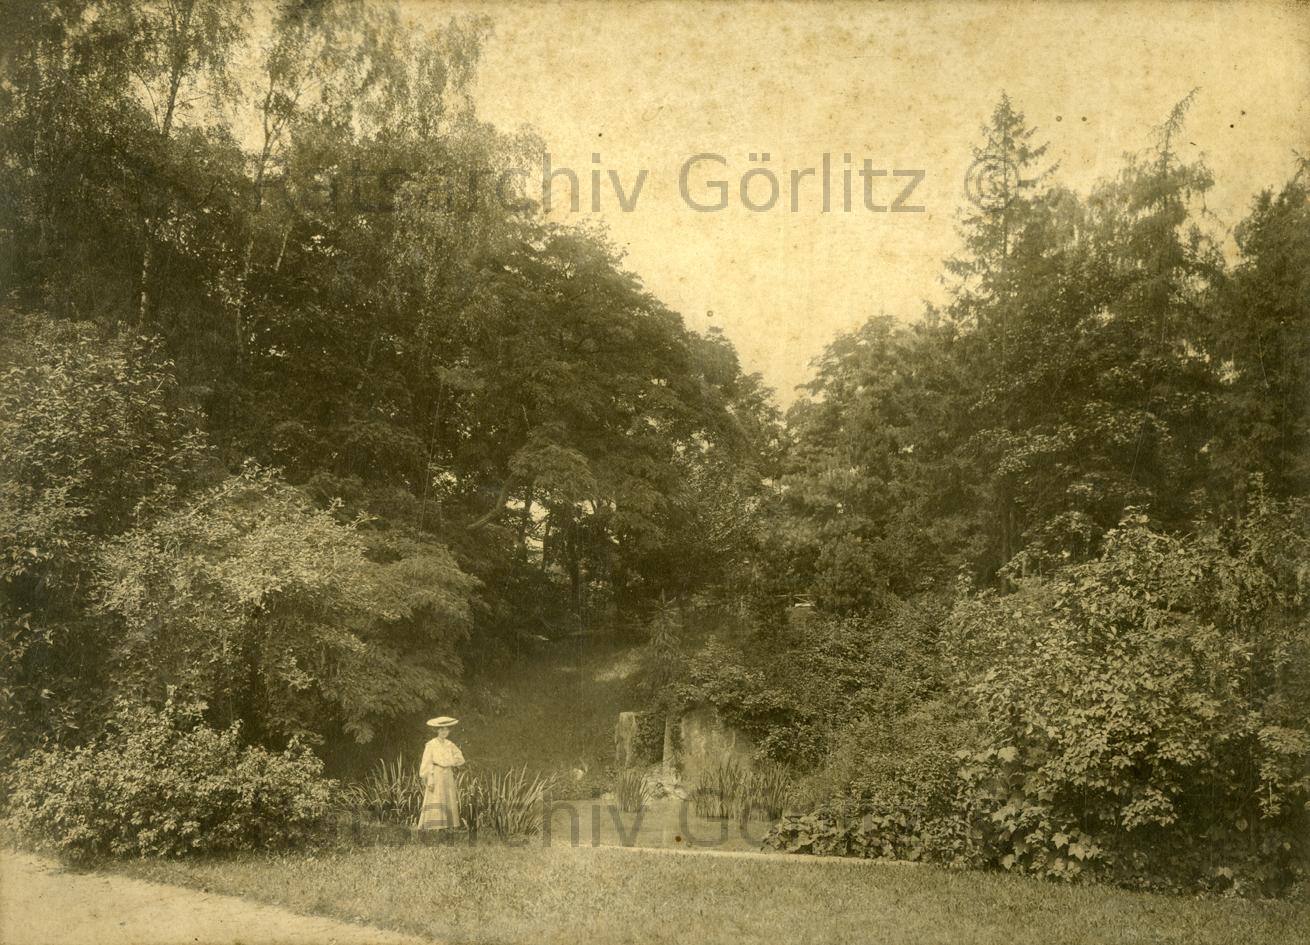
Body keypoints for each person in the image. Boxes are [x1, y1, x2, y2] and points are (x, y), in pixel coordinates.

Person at [417, 716, 465, 831]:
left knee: (447, 797)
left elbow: (460, 758)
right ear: (437, 730)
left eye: (446, 729)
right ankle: (434, 826)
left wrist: (451, 762)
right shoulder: (431, 744)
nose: (444, 732)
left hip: (447, 773)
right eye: (441, 729)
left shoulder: (450, 744)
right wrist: (429, 778)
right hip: (436, 773)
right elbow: (427, 762)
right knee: (436, 797)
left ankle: (447, 825)